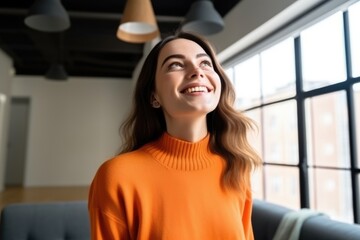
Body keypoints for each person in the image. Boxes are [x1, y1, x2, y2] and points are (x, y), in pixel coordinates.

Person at [88, 31, 262, 240]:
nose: (197, 71)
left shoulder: (235, 167)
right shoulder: (116, 176)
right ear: (154, 96)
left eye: (205, 63)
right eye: (175, 65)